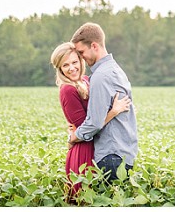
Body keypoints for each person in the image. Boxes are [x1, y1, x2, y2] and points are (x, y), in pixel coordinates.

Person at [50, 42, 131, 201]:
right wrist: (114, 112)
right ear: (60, 69)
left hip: (96, 147)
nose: (72, 68)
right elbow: (87, 128)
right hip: (84, 151)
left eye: (74, 62)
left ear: (80, 61)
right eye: (65, 65)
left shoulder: (86, 80)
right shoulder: (68, 90)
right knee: (85, 200)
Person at [68, 22, 138, 183]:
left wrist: (73, 137)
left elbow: (94, 122)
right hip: (124, 155)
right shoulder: (116, 70)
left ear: (94, 46)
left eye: (81, 52)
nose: (81, 58)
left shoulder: (101, 76)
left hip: (110, 156)